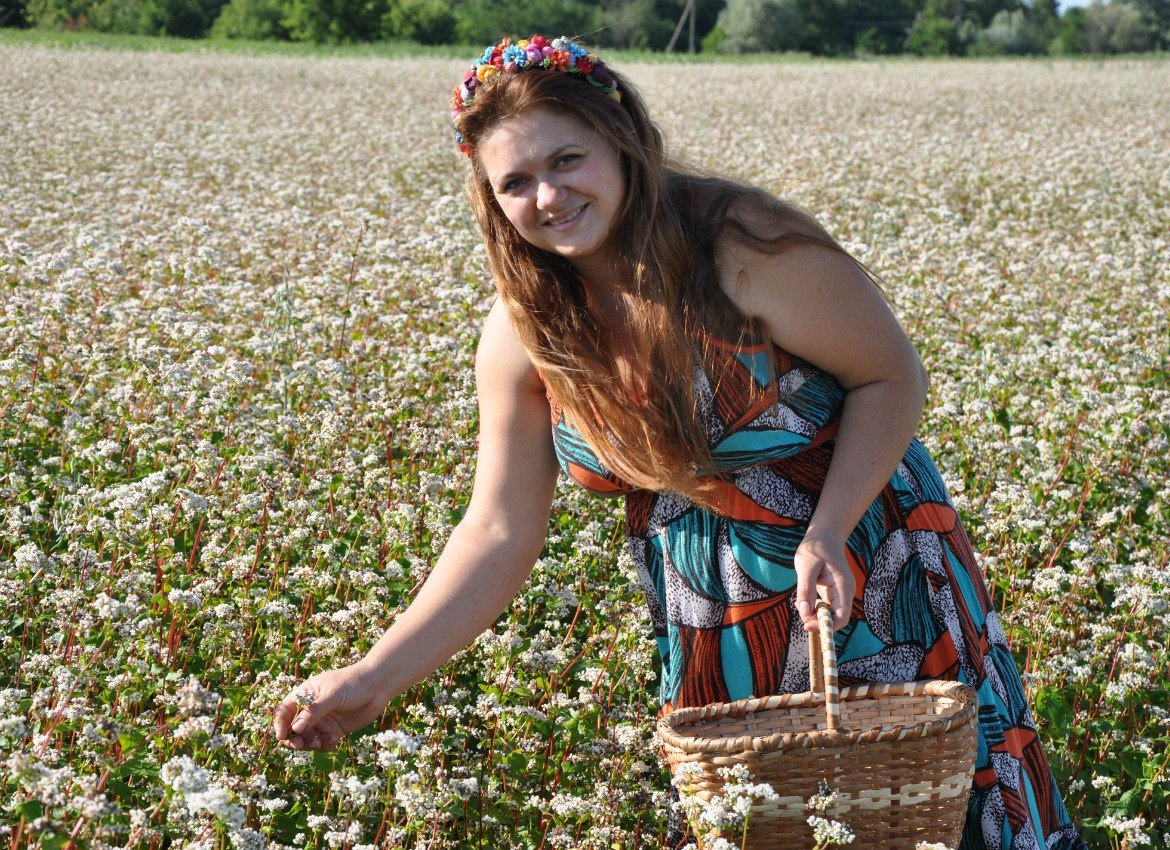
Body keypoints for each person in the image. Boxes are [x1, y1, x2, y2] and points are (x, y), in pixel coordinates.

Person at [272, 35, 1087, 850]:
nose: (549, 196)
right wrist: (372, 680)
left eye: (567, 160)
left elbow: (890, 378)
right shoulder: (525, 328)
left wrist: (829, 530)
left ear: (622, 144)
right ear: (490, 199)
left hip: (866, 569)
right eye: (515, 182)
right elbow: (497, 529)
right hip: (707, 614)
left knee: (922, 811)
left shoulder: (745, 249)